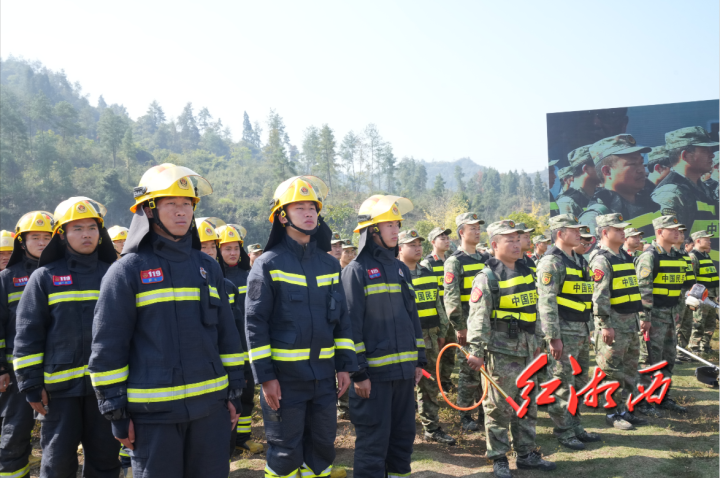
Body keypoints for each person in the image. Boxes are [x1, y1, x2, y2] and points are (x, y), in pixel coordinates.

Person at [89, 164, 246, 478]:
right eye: (171, 203)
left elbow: (227, 335)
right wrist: (115, 412)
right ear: (149, 210)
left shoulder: (208, 268)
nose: (181, 211)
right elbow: (108, 348)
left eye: (187, 203)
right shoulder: (126, 271)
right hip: (153, 418)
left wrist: (234, 392)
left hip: (210, 411)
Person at [246, 176, 355, 478]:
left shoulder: (329, 265)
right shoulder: (267, 264)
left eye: (313, 208)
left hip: (323, 379)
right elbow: (255, 324)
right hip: (284, 381)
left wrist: (345, 366)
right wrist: (266, 378)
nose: (309, 214)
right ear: (282, 216)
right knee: (284, 451)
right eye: (300, 208)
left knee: (322, 448)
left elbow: (341, 320)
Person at [13, 198, 120, 478]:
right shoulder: (44, 277)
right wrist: (30, 384)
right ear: (61, 235)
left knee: (106, 459)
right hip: (59, 392)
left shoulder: (115, 275)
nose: (86, 235)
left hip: (105, 390)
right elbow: (28, 333)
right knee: (57, 462)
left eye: (92, 228)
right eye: (77, 229)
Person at [341, 194, 425, 478]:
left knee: (403, 439)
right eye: (389, 224)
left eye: (397, 224)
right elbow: (349, 327)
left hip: (403, 375)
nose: (395, 230)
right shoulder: (355, 271)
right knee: (373, 444)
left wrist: (419, 361)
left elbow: (412, 318)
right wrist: (359, 373)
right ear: (372, 230)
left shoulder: (401, 269)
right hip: (373, 378)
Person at [466, 220, 556, 478]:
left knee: (527, 404)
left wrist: (539, 342)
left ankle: (526, 454)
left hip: (529, 351)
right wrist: (477, 351)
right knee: (498, 408)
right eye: (510, 240)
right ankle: (499, 457)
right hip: (501, 353)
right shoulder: (486, 277)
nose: (517, 245)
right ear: (494, 244)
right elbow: (478, 319)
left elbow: (534, 310)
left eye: (518, 239)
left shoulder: (527, 271)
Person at [536, 214, 601, 450]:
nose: (579, 234)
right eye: (573, 230)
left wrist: (590, 328)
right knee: (562, 382)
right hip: (563, 333)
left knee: (580, 382)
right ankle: (564, 431)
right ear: (560, 233)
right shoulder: (551, 262)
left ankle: (576, 426)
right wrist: (553, 337)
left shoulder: (579, 260)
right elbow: (547, 302)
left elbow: (584, 297)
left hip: (581, 330)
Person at [0, 211, 54, 478]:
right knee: (14, 433)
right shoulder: (7, 278)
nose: (42, 243)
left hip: (56, 370)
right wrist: (1, 367)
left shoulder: (61, 272)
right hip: (17, 374)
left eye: (47, 237)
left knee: (55, 437)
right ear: (22, 242)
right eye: (35, 237)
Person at [588, 214, 647, 430]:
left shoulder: (623, 256)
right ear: (605, 232)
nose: (623, 233)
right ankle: (612, 413)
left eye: (623, 229)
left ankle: (625, 410)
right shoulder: (601, 259)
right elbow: (600, 296)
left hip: (630, 323)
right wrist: (605, 325)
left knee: (630, 369)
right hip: (613, 324)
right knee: (611, 371)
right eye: (618, 229)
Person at [397, 229, 455, 445]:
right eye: (411, 245)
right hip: (404, 341)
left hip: (430, 338)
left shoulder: (428, 273)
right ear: (400, 249)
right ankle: (400, 428)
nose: (417, 248)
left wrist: (441, 330)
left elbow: (438, 303)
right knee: (402, 386)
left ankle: (431, 427)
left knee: (430, 384)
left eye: (419, 244)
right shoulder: (395, 275)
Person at [214, 222, 261, 454]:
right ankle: (225, 442)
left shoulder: (249, 276)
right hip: (224, 351)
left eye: (236, 248)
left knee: (246, 396)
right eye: (227, 248)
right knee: (224, 399)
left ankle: (243, 437)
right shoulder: (214, 277)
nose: (232, 253)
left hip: (247, 348)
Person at [634, 215, 687, 415]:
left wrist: (678, 313)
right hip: (654, 317)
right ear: (659, 232)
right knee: (649, 360)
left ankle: (662, 397)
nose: (677, 233)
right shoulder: (649, 256)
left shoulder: (676, 256)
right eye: (672, 229)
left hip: (671, 316)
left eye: (678, 229)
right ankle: (643, 401)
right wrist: (645, 318)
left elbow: (677, 288)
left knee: (668, 359)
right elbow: (643, 289)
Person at [444, 212, 490, 432]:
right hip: (468, 326)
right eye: (472, 228)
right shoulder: (454, 262)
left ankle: (485, 413)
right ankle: (465, 414)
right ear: (461, 232)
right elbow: (451, 298)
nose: (477, 231)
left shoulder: (485, 259)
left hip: (486, 325)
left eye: (479, 227)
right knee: (469, 371)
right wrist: (460, 327)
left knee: (486, 371)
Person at [578, 134, 654, 236]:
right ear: (607, 171)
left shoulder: (650, 204)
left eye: (641, 163)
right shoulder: (595, 218)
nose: (641, 170)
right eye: (632, 164)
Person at [652, 127, 719, 233]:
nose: (712, 155)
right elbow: (671, 239)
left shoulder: (704, 188)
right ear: (685, 155)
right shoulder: (670, 194)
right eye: (705, 151)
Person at [421, 227, 455, 393]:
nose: (446, 241)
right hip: (437, 313)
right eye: (442, 238)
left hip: (452, 313)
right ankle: (437, 385)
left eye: (447, 238)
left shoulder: (452, 261)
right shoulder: (427, 263)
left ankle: (446, 381)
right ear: (433, 242)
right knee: (437, 351)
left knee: (450, 349)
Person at [688, 230, 718, 354]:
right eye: (707, 239)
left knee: (710, 323)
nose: (710, 242)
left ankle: (704, 347)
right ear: (698, 241)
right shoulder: (693, 256)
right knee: (698, 323)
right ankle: (694, 347)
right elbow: (692, 279)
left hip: (711, 296)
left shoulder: (705, 255)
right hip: (701, 298)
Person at [557, 146, 599, 217]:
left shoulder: (599, 196)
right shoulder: (568, 202)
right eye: (598, 165)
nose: (603, 168)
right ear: (586, 169)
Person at [673, 228, 696, 361]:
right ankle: (673, 352)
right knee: (676, 324)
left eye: (682, 233)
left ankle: (681, 350)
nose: (681, 235)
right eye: (679, 232)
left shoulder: (684, 253)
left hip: (688, 292)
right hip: (677, 293)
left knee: (687, 324)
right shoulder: (670, 254)